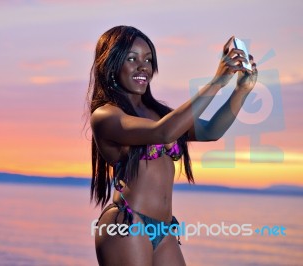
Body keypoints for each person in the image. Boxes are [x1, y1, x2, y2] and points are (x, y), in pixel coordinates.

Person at [86, 25, 258, 266]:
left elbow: (211, 131)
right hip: (128, 223)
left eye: (148, 59)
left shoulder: (158, 113)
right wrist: (217, 82)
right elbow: (164, 133)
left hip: (165, 229)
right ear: (111, 64)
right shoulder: (105, 115)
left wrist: (241, 90)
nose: (143, 66)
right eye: (131, 58)